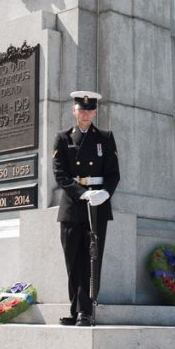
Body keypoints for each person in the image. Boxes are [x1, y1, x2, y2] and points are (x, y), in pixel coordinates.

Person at [52, 91, 120, 327]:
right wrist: (82, 193)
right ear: (74, 111)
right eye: (81, 110)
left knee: (92, 258)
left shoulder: (105, 138)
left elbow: (113, 174)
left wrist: (105, 193)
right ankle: (75, 308)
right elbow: (60, 175)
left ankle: (86, 311)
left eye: (90, 110)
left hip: (97, 206)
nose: (85, 114)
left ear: (95, 112)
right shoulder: (63, 138)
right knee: (72, 260)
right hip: (73, 205)